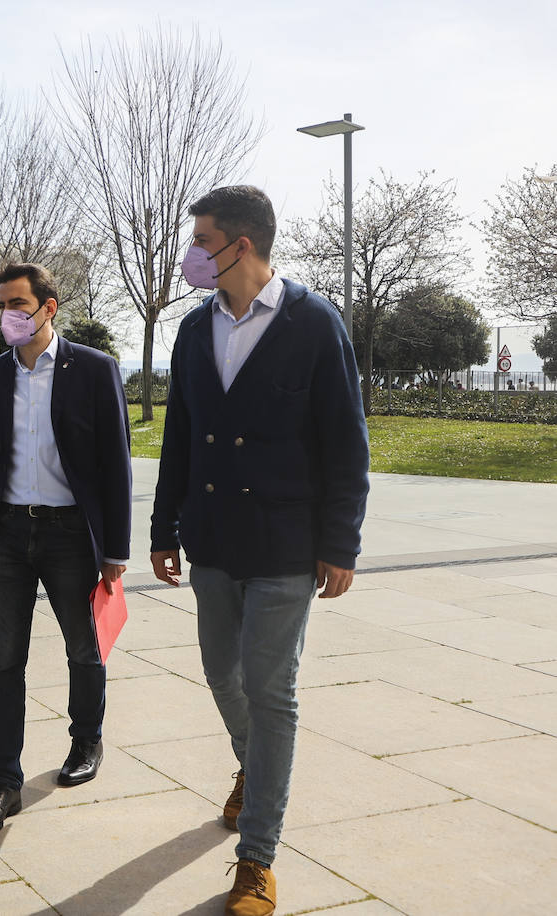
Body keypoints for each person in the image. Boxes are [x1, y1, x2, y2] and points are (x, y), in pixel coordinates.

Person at [150, 186, 370, 916]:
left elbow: (346, 442)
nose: (192, 255)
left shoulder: (314, 323)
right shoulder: (192, 330)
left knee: (272, 692)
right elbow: (178, 435)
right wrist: (161, 529)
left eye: (202, 240)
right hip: (212, 541)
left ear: (241, 245)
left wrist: (340, 542)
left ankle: (257, 858)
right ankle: (256, 768)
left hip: (285, 546)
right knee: (222, 674)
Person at [0, 262, 132, 837]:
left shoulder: (93, 369)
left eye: (19, 304)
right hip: (8, 535)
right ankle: (3, 781)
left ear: (49, 307)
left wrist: (115, 548)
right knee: (4, 660)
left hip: (70, 535)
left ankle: (86, 739)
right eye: (3, 305)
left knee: (83, 648)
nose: (9, 315)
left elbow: (115, 463)